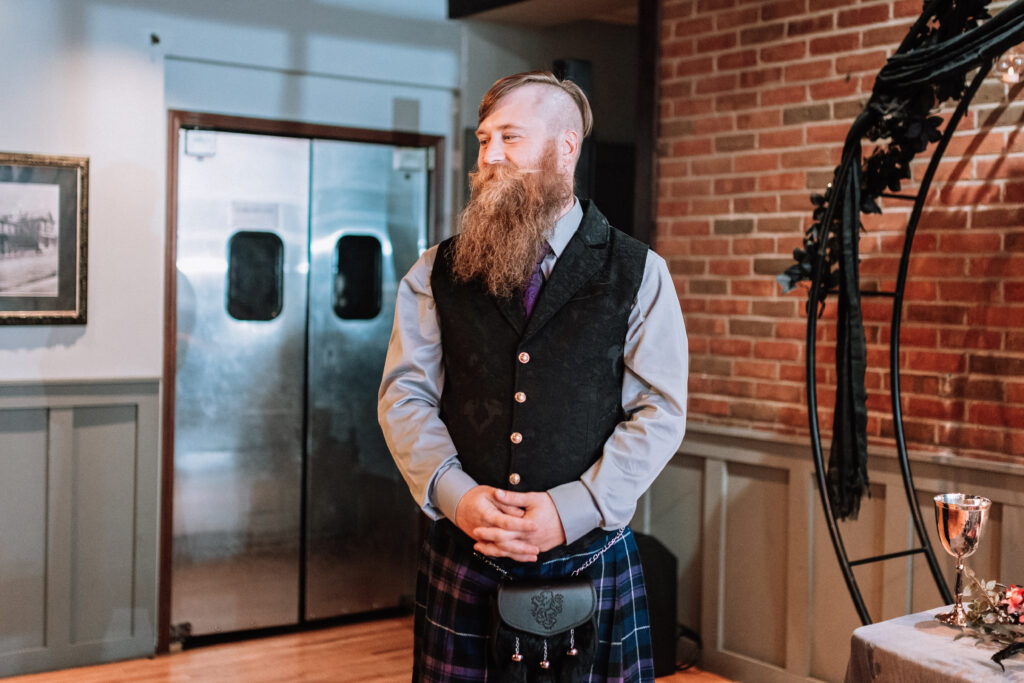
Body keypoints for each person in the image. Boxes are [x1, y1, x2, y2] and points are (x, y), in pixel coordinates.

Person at [378, 71, 688, 682]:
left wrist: (575, 508)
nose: (489, 156)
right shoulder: (433, 271)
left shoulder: (639, 272)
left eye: (511, 138)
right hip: (466, 556)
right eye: (484, 139)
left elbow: (659, 411)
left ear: (565, 146)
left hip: (590, 556)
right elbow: (405, 396)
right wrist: (456, 495)